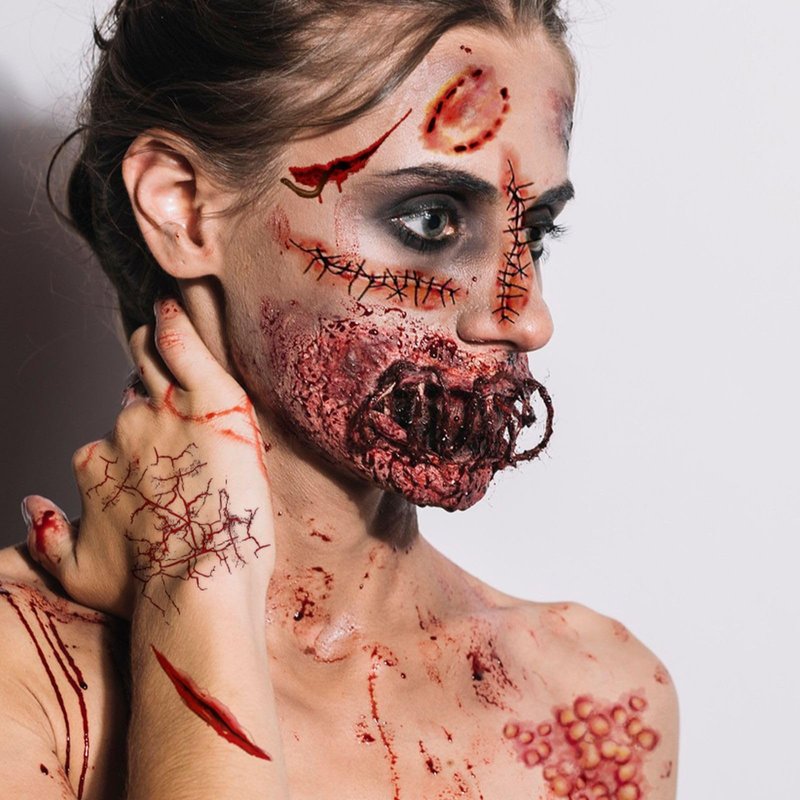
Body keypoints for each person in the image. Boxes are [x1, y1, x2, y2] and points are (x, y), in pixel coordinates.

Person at [0, 1, 679, 798]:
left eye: (534, 233)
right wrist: (198, 578)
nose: (527, 318)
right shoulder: (26, 678)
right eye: (431, 220)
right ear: (182, 206)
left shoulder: (586, 707)